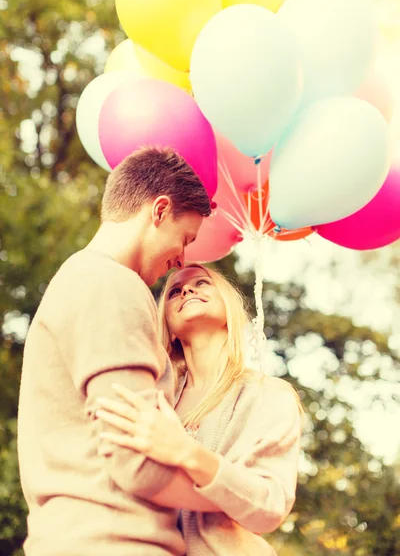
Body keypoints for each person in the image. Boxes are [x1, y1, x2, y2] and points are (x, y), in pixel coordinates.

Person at [17, 147, 213, 556]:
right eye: (186, 238)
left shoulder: (79, 279)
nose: (182, 259)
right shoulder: (112, 285)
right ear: (159, 210)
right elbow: (138, 464)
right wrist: (236, 498)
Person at [95, 263, 303, 555]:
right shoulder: (154, 397)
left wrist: (186, 452)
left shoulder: (269, 394)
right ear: (168, 325)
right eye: (175, 292)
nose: (187, 290)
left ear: (229, 309)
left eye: (202, 283)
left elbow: (268, 505)